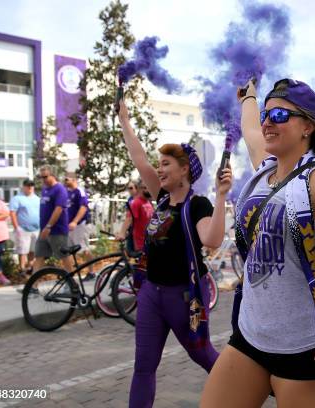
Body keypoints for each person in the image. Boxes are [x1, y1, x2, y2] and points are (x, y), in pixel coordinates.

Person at [200, 79, 315, 408]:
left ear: (307, 126)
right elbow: (251, 126)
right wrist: (250, 97)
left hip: (304, 349)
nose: (268, 122)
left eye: (280, 115)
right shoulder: (264, 171)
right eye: (267, 114)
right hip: (250, 338)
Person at [118, 99, 232, 408]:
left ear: (184, 170)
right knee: (143, 367)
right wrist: (125, 120)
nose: (159, 169)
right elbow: (139, 159)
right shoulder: (162, 199)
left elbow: (211, 239)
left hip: (183, 299)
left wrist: (221, 197)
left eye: (166, 164)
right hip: (151, 296)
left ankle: (246, 386)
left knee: (204, 355)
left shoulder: (198, 205)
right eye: (161, 164)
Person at [33, 165, 73, 274]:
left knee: (64, 256)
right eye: (41, 177)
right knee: (39, 256)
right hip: (44, 230)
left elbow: (58, 209)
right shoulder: (45, 189)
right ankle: (33, 286)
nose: (43, 180)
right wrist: (44, 228)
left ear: (53, 175)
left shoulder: (60, 189)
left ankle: (72, 283)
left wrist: (49, 226)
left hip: (56, 230)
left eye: (45, 177)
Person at [64, 173, 94, 280]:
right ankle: (70, 274)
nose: (65, 181)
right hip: (69, 226)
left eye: (67, 179)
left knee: (83, 249)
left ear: (74, 179)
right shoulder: (67, 192)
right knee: (69, 251)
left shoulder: (79, 192)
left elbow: (83, 207)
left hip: (80, 224)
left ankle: (91, 272)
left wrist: (75, 221)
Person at [9, 179, 40, 275]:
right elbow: (12, 213)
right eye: (28, 185)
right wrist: (16, 227)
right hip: (23, 229)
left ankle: (30, 268)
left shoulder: (37, 198)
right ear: (24, 186)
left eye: (31, 185)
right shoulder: (17, 198)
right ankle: (22, 269)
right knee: (23, 251)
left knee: (33, 250)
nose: (30, 187)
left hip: (36, 229)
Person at [116, 180, 154, 252]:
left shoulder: (148, 202)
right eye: (145, 187)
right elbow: (129, 218)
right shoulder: (136, 202)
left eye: (149, 187)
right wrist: (122, 233)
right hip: (140, 243)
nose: (148, 189)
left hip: (148, 241)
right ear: (140, 189)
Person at [124, 180, 138, 253]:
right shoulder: (129, 200)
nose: (129, 190)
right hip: (131, 228)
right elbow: (128, 215)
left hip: (139, 229)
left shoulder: (141, 199)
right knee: (130, 251)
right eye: (128, 188)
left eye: (131, 188)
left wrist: (122, 232)